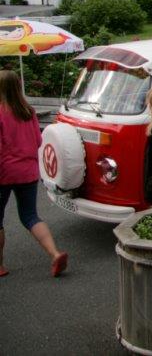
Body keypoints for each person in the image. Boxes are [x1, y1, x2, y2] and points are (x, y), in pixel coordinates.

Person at [0, 70, 68, 278]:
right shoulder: (28, 112)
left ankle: (0, 266)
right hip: (28, 172)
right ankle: (54, 253)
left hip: (4, 172)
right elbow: (38, 141)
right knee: (30, 216)